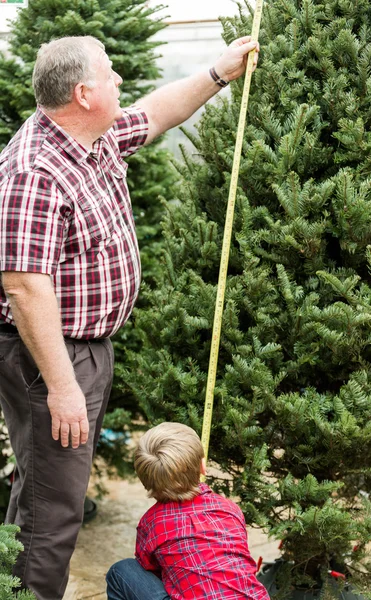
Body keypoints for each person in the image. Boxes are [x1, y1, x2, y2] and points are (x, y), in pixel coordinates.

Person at [0, 34, 259, 600]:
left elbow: (158, 113)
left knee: (43, 488)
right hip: (52, 358)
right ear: (84, 92)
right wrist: (63, 387)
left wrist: (219, 72)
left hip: (85, 348)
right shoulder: (33, 172)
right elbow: (23, 286)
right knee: (55, 514)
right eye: (111, 73)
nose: (121, 80)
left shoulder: (92, 136)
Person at [106, 422, 270, 600]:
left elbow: (150, 568)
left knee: (121, 571)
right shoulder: (230, 509)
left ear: (145, 480)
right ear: (203, 467)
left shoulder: (151, 523)